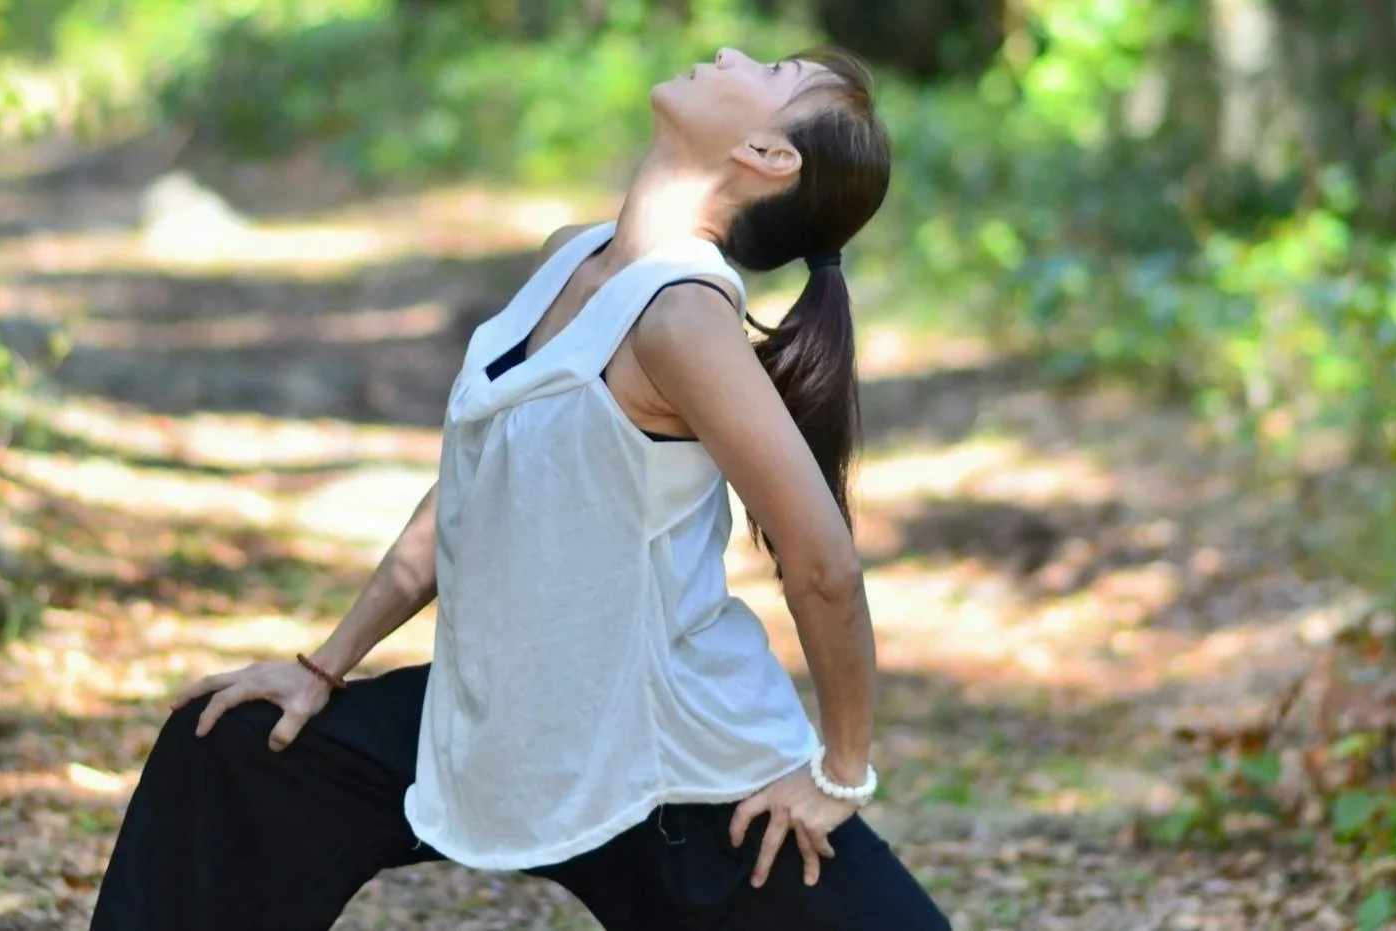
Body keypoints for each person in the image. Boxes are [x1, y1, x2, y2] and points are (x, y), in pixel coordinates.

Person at [90, 45, 952, 931]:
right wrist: (323, 667)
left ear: (768, 158)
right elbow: (469, 496)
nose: (732, 52)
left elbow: (823, 566)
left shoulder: (683, 316)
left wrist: (840, 770)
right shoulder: (568, 258)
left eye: (770, 73)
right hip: (508, 714)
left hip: (668, 755)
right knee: (233, 754)